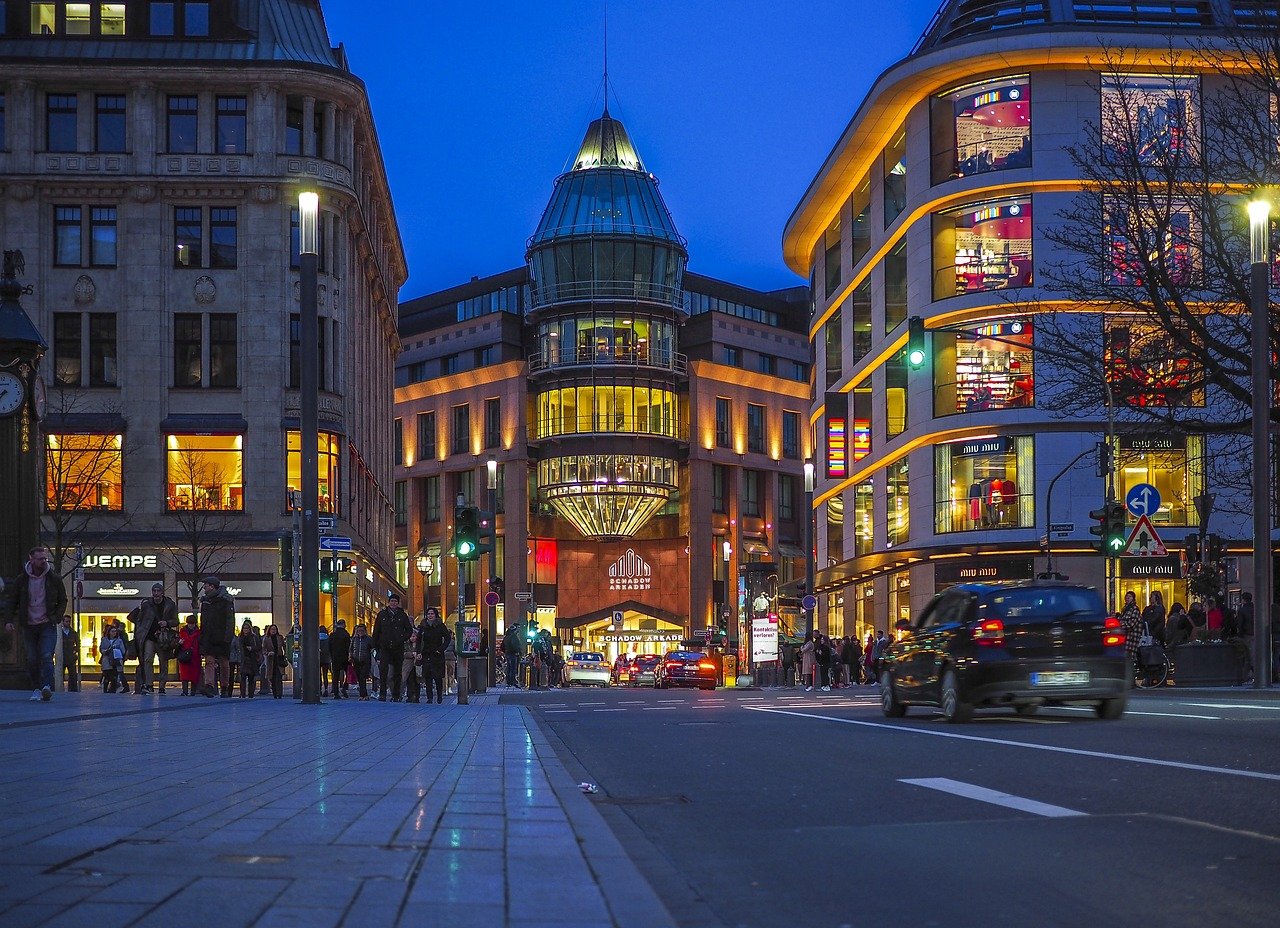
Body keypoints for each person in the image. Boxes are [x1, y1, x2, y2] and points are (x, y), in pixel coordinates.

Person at [3, 545, 68, 702]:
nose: (43, 561)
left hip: (47, 623)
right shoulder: (22, 580)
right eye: (40, 559)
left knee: (46, 655)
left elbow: (63, 599)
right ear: (31, 559)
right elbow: (12, 601)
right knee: (32, 658)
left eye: (45, 559)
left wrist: (56, 617)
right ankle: (36, 688)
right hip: (29, 625)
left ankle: (46, 686)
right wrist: (8, 620)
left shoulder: (54, 579)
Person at [127, 583, 177, 695]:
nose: (156, 593)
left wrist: (167, 623)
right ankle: (149, 684)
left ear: (162, 592)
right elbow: (134, 618)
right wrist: (139, 609)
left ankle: (162, 686)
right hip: (149, 637)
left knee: (163, 662)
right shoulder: (147, 604)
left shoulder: (169, 604)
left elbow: (175, 621)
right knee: (147, 659)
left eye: (158, 591)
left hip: (163, 638)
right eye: (154, 591)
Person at [372, 592, 413, 701]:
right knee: (383, 671)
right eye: (392, 601)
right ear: (389, 602)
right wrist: (376, 645)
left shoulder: (402, 615)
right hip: (385, 646)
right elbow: (376, 630)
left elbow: (409, 630)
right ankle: (383, 694)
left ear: (398, 603)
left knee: (397, 672)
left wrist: (401, 639)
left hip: (397, 647)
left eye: (395, 601)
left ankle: (396, 695)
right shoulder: (382, 615)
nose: (393, 603)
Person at [199, 577, 235, 697]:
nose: (204, 588)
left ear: (212, 586)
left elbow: (230, 620)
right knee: (209, 661)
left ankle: (224, 686)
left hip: (222, 636)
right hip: (209, 636)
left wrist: (228, 636)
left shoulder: (225, 600)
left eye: (206, 585)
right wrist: (203, 636)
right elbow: (203, 621)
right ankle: (209, 686)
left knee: (224, 663)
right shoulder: (205, 602)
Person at [418, 607, 449, 703]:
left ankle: (439, 696)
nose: (430, 616)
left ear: (436, 615)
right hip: (426, 654)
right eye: (428, 614)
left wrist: (441, 649)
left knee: (438, 677)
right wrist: (419, 652)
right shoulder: (423, 626)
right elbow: (419, 641)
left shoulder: (440, 626)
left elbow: (447, 638)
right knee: (428, 677)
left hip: (437, 654)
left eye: (432, 614)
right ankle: (429, 697)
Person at [177, 615, 202, 695]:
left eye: (192, 624)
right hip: (187, 655)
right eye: (190, 623)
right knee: (186, 674)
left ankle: (192, 692)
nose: (191, 625)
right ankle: (185, 691)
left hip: (194, 655)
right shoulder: (197, 633)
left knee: (193, 674)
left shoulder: (185, 632)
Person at [1119, 590, 1143, 674]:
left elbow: (1132, 624)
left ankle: (1131, 676)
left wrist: (1121, 626)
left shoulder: (1135, 609)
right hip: (1126, 636)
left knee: (1130, 657)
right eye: (1126, 596)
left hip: (1132, 637)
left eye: (1129, 596)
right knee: (1126, 657)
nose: (1127, 598)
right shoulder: (1125, 609)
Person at [328, 618, 351, 699]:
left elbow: (329, 647)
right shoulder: (346, 634)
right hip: (344, 656)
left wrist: (331, 655)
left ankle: (336, 693)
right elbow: (348, 646)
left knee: (335, 675)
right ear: (344, 625)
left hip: (335, 657)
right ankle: (344, 687)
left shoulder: (332, 635)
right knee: (348, 673)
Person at [100, 623, 127, 693]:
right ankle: (105, 690)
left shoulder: (119, 640)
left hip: (116, 660)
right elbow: (101, 649)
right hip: (107, 659)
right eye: (112, 631)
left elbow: (123, 650)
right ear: (109, 632)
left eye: (115, 631)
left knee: (115, 676)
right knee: (107, 675)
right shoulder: (104, 640)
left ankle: (113, 689)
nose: (114, 633)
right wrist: (105, 651)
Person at [351, 621, 374, 700]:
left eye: (362, 630)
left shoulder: (369, 639)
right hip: (356, 660)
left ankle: (363, 695)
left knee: (362, 677)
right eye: (358, 631)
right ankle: (363, 695)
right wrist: (351, 656)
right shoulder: (354, 639)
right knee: (359, 678)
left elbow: (373, 648)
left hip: (365, 661)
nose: (360, 632)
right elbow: (351, 649)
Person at [262, 624, 287, 698]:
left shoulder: (280, 637)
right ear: (269, 630)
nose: (273, 631)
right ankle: (275, 694)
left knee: (279, 677)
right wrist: (268, 653)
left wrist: (285, 654)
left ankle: (279, 694)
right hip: (271, 660)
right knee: (272, 677)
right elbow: (263, 649)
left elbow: (284, 646)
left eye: (275, 629)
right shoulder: (266, 638)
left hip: (279, 659)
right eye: (272, 629)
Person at [1237, 591, 1256, 684]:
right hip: (1256, 634)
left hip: (1247, 635)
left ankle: (1250, 676)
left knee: (1249, 656)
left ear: (1243, 600)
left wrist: (1239, 634)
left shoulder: (1242, 610)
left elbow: (1240, 625)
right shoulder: (1256, 608)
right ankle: (1246, 677)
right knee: (1250, 655)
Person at [59, 614, 80, 691]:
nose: (68, 623)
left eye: (69, 621)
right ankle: (60, 689)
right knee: (61, 675)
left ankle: (73, 690)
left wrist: (76, 650)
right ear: (63, 622)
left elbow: (78, 642)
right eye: (66, 621)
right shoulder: (60, 632)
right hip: (62, 656)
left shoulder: (73, 632)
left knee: (73, 675)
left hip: (71, 657)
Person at [502, 620, 524, 688]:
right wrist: (519, 652)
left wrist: (505, 651)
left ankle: (509, 682)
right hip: (513, 654)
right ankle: (513, 682)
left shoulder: (507, 636)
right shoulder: (513, 636)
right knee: (513, 668)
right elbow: (515, 645)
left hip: (508, 653)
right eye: (518, 628)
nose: (519, 630)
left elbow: (502, 646)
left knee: (509, 668)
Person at [318, 624, 332, 696]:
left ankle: (319, 689)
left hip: (318, 659)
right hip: (326, 659)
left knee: (318, 675)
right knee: (325, 675)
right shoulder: (328, 639)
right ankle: (326, 689)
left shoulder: (316, 639)